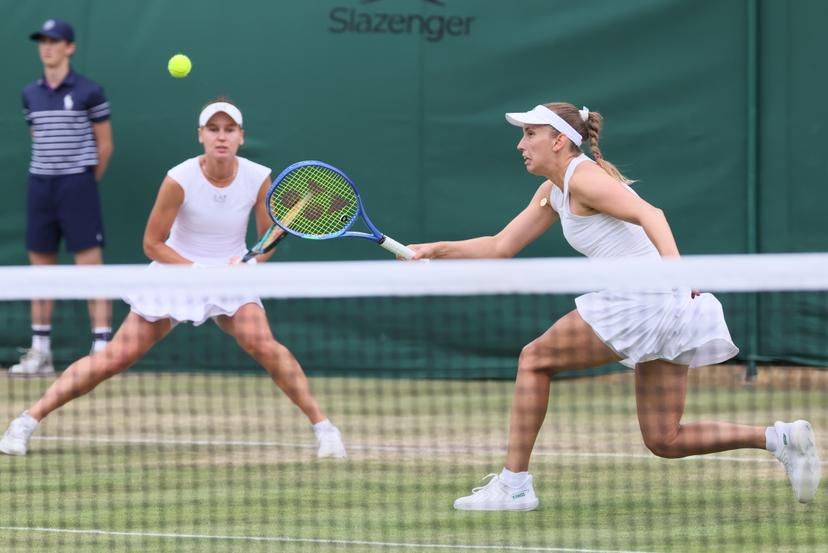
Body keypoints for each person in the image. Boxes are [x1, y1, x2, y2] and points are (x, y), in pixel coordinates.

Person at [408, 102, 822, 509]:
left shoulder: (584, 177)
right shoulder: (553, 191)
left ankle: (514, 484)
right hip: (666, 306)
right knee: (664, 439)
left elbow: (652, 214)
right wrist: (435, 249)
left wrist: (675, 272)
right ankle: (779, 439)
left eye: (530, 133)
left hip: (645, 297)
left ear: (558, 141)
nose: (521, 143)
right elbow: (500, 246)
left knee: (534, 359)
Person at [0, 98, 347, 460]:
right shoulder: (179, 178)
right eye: (213, 129)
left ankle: (325, 430)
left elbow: (267, 239)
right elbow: (152, 243)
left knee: (264, 346)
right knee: (112, 359)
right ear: (201, 136)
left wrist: (250, 263)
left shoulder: (259, 177)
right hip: (176, 273)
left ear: (241, 137)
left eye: (229, 130)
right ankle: (25, 422)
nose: (221, 137)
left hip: (230, 278)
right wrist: (194, 272)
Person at [10, 19, 114, 375]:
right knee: (41, 270)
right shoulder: (30, 94)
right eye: (43, 41)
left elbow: (105, 145)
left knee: (90, 268)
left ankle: (102, 348)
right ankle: (41, 352)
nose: (47, 47)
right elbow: (38, 138)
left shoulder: (90, 91)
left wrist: (82, 182)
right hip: (40, 186)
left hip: (77, 186)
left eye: (54, 41)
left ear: (69, 47)